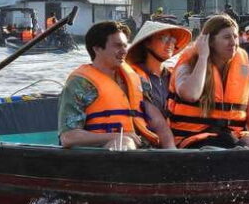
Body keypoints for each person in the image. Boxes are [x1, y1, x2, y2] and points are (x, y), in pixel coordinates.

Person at [168, 15, 249, 149]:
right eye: (226, 37)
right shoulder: (188, 64)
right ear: (210, 41)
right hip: (192, 139)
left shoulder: (242, 70)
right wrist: (203, 57)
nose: (233, 42)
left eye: (235, 37)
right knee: (218, 148)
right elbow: (190, 95)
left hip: (229, 137)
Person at [58, 21, 176, 149]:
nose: (124, 51)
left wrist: (172, 151)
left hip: (142, 149)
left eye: (125, 46)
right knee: (125, 143)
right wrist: (117, 137)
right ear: (97, 48)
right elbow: (68, 137)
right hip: (105, 152)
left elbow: (159, 124)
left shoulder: (136, 80)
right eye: (117, 46)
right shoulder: (80, 84)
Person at [125, 21, 192, 118]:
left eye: (173, 40)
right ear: (147, 43)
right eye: (163, 38)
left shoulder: (173, 76)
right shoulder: (132, 76)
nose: (170, 43)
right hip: (145, 131)